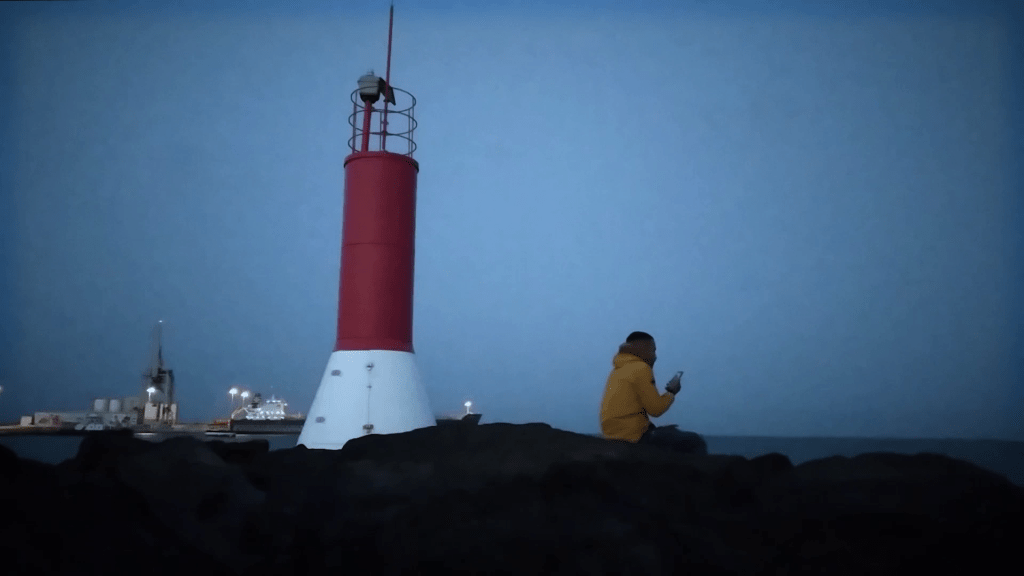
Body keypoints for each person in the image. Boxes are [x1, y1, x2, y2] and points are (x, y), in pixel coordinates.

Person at [599, 331, 707, 455]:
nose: (655, 356)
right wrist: (671, 392)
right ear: (644, 349)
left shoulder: (617, 371)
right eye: (653, 350)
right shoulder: (641, 368)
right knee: (695, 441)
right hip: (634, 436)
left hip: (611, 434)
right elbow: (656, 410)